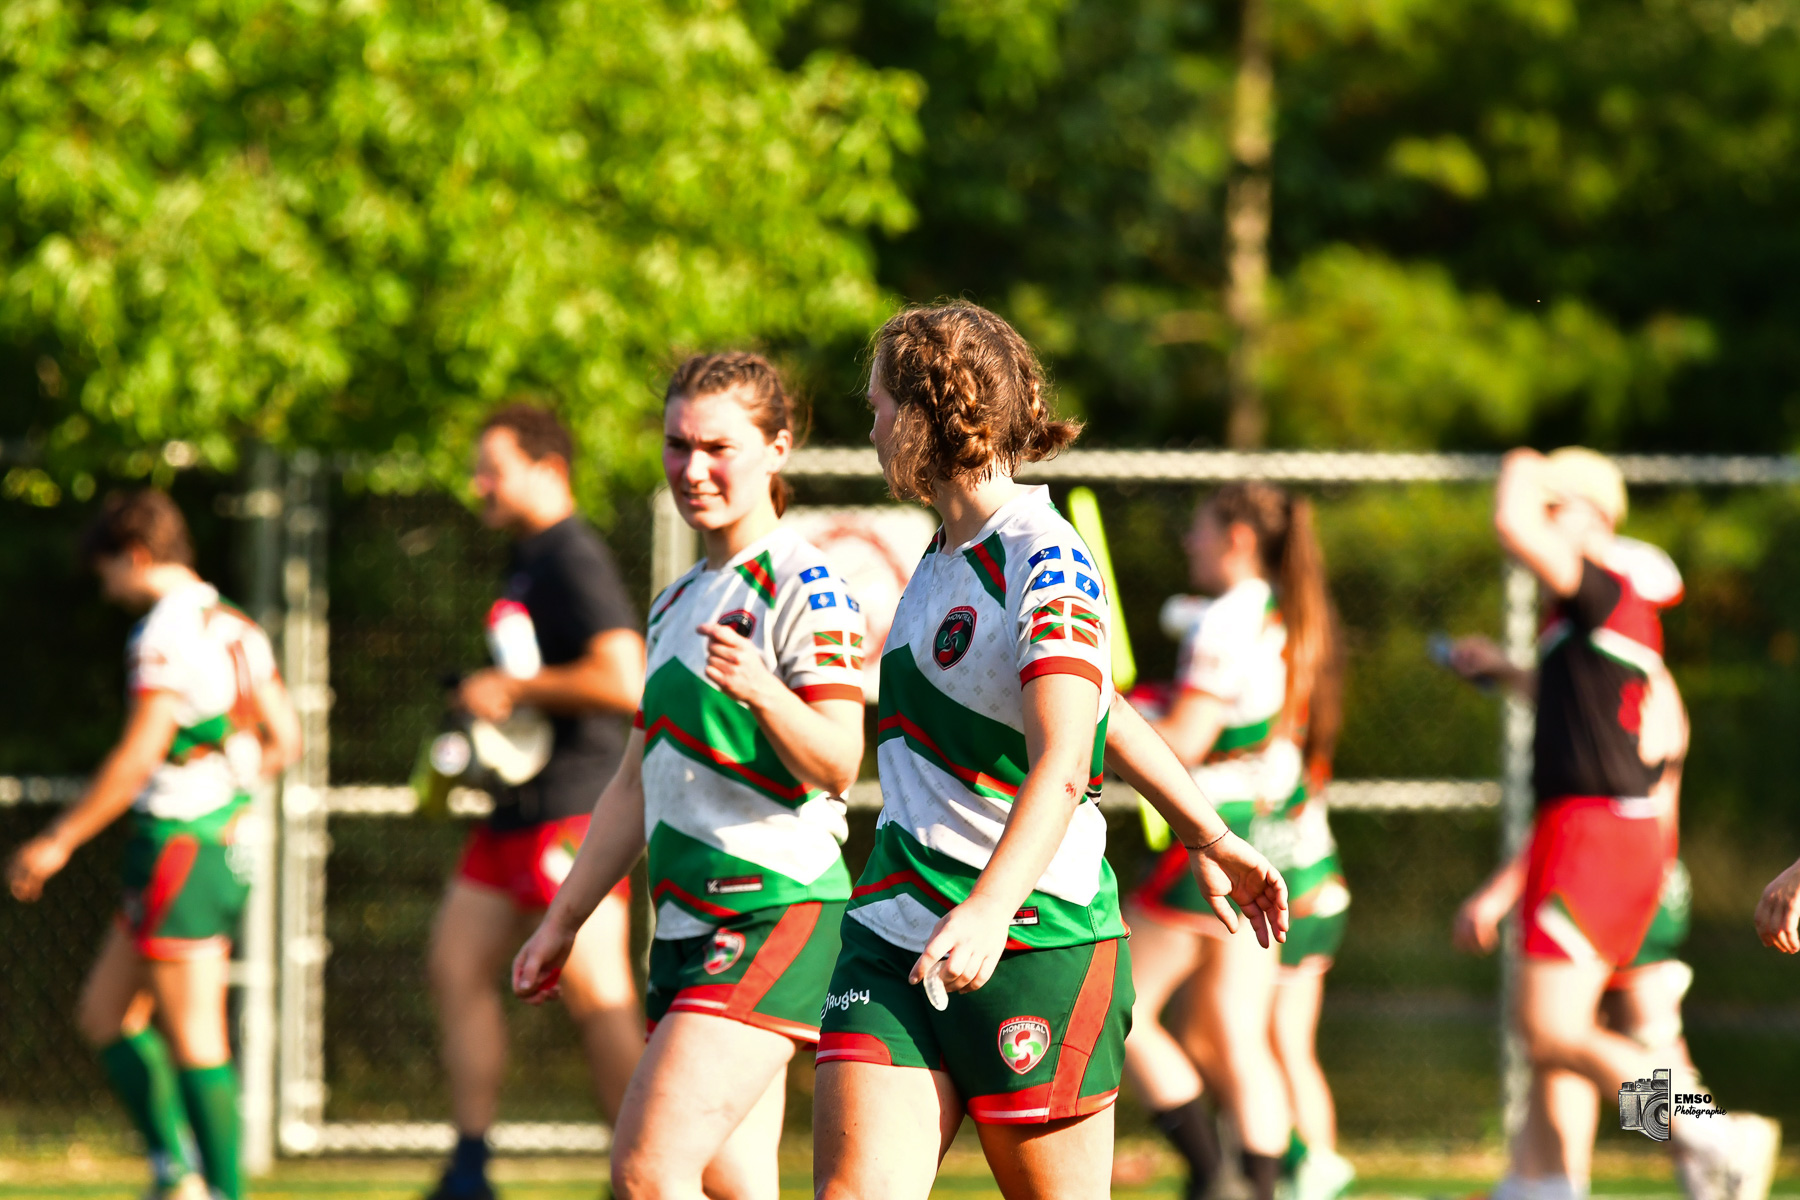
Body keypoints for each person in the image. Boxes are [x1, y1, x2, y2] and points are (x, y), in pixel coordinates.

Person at [811, 301, 1287, 1200]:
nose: (869, 425)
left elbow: (1070, 755)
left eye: (877, 406)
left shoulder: (1045, 558)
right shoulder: (941, 552)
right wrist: (1206, 833)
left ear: (927, 414)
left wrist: (988, 910)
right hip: (894, 934)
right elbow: (1102, 703)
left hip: (1032, 939)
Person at [512, 352, 867, 1200]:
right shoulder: (678, 601)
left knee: (646, 1171)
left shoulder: (806, 583)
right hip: (683, 924)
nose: (693, 468)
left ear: (778, 447)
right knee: (729, 1184)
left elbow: (838, 760)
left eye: (719, 447)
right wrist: (562, 921)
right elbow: (633, 786)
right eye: (677, 445)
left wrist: (763, 692)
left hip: (771, 906)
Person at [1469, 446, 1778, 1200]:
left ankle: (1714, 1141)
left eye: (1559, 506)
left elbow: (1511, 523)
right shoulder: (1591, 618)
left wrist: (1520, 464)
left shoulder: (1606, 585)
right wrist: (1507, 675)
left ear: (1594, 517)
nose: (1544, 521)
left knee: (1580, 1031)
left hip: (1608, 841)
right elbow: (1582, 711)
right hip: (1595, 837)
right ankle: (1546, 1182)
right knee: (1569, 1036)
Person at [7, 489, 301, 1200]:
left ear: (136, 557)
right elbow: (285, 740)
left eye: (107, 571)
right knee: (104, 1014)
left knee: (196, 1033)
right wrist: (233, 789)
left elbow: (139, 757)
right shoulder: (236, 624)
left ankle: (224, 1192)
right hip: (209, 848)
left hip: (181, 849)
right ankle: (178, 1174)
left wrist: (57, 839)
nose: (107, 589)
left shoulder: (164, 634)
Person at [426, 403, 647, 1200]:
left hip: (579, 806)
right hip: (513, 808)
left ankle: (643, 1171)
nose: (477, 484)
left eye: (493, 467)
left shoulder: (571, 556)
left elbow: (626, 681)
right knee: (455, 964)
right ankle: (470, 1166)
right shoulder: (525, 557)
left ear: (548, 470)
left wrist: (510, 687)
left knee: (597, 992)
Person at [1125, 483, 1352, 1200]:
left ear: (1239, 538)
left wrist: (1098, 728)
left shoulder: (1229, 618)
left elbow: (1189, 741)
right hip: (1270, 837)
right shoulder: (1285, 615)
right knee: (1241, 1040)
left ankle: (1208, 1170)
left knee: (1115, 1006)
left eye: (1198, 530)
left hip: (1216, 834)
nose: (1188, 543)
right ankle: (1260, 1185)